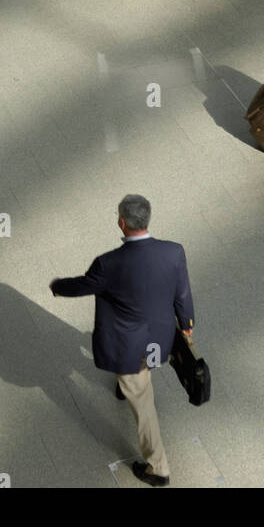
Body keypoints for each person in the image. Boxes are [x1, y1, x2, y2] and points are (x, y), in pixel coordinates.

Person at [50, 194, 195, 488]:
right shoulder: (173, 252)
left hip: (129, 345)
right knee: (141, 371)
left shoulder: (108, 264)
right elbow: (182, 293)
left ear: (121, 222)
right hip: (159, 338)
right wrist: (187, 324)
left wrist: (57, 286)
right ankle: (123, 384)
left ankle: (159, 468)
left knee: (143, 404)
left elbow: (82, 286)